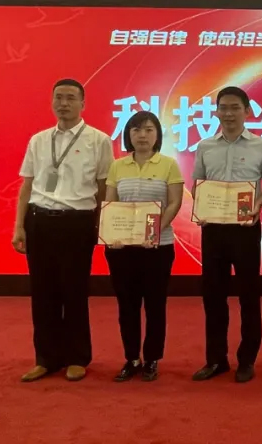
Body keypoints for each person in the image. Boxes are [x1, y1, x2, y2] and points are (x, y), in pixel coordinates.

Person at [12, 78, 114, 383]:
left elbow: (103, 187)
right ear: (52, 102)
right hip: (39, 220)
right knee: (42, 293)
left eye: (71, 98)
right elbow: (27, 185)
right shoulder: (39, 140)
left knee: (74, 291)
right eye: (58, 97)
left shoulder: (99, 140)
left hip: (77, 222)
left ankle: (77, 357)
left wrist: (102, 224)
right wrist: (19, 226)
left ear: (83, 103)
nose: (64, 103)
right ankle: (46, 358)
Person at [191, 86, 262, 383]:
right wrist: (202, 206)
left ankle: (247, 359)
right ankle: (216, 360)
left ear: (247, 111)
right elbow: (198, 184)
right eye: (223, 108)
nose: (228, 114)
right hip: (213, 229)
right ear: (216, 112)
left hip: (245, 229)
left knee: (248, 295)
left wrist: (258, 204)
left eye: (235, 108)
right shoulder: (205, 146)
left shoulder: (261, 146)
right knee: (213, 296)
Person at [103, 111, 184, 382]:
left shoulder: (168, 164)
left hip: (158, 247)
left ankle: (151, 359)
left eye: (149, 130)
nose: (142, 135)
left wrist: (156, 229)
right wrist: (112, 232)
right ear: (128, 134)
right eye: (136, 130)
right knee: (127, 305)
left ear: (157, 135)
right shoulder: (117, 166)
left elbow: (175, 202)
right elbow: (111, 204)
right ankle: (131, 358)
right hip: (122, 248)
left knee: (154, 305)